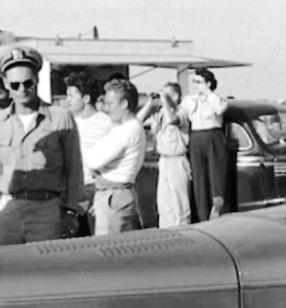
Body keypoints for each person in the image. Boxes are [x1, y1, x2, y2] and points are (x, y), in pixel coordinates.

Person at [0, 46, 83, 245]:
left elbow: (74, 169)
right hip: (8, 208)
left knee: (43, 271)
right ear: (6, 84)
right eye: (15, 84)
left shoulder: (60, 118)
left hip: (46, 210)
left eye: (27, 82)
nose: (22, 89)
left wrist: (71, 210)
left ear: (36, 79)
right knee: (7, 270)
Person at [84, 79, 147, 235]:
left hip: (113, 195)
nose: (106, 109)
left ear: (124, 104)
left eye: (111, 104)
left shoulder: (126, 131)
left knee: (106, 249)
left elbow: (93, 161)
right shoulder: (130, 127)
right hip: (115, 193)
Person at [66, 71, 113, 232]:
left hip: (96, 188)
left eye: (72, 96)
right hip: (74, 189)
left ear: (86, 99)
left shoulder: (106, 123)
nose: (68, 100)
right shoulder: (70, 123)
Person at [140, 82, 192, 228]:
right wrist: (150, 103)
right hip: (164, 159)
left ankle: (182, 230)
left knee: (179, 202)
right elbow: (139, 122)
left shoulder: (182, 112)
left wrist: (166, 101)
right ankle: (166, 230)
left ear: (175, 96)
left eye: (166, 93)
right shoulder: (160, 114)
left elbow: (172, 120)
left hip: (177, 159)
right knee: (164, 202)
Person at [182, 68, 229, 222]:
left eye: (199, 82)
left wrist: (209, 93)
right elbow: (182, 113)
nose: (196, 85)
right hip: (196, 136)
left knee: (216, 176)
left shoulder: (217, 99)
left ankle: (218, 209)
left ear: (208, 83)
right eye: (194, 82)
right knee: (199, 178)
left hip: (213, 135)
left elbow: (220, 110)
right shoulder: (190, 100)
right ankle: (202, 215)